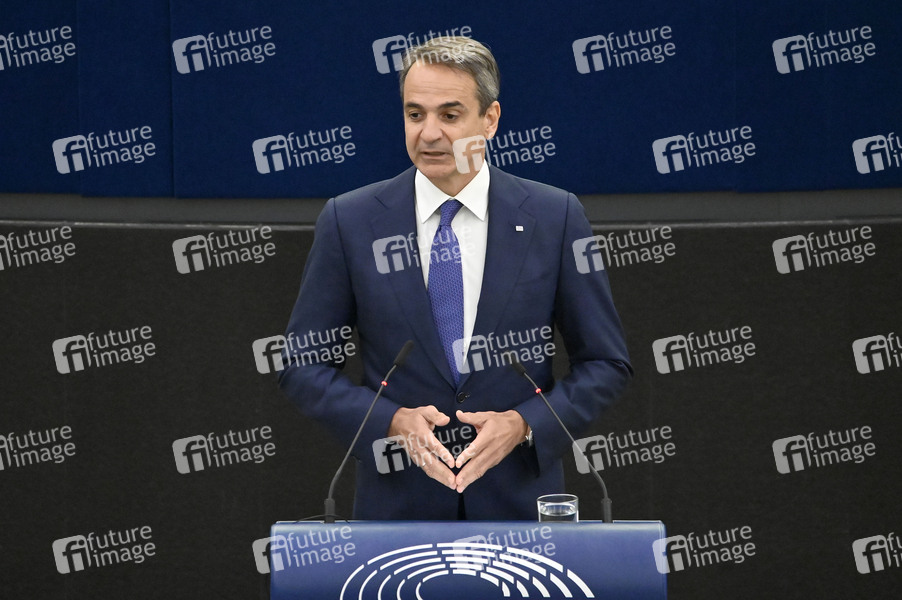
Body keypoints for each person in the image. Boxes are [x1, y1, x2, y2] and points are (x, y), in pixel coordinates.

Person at [279, 36, 631, 520]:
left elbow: (606, 362)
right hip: (398, 511)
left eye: (449, 115)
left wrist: (525, 424)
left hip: (518, 509)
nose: (429, 134)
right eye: (415, 114)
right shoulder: (351, 221)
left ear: (490, 119)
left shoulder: (555, 217)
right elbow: (303, 364)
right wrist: (389, 421)